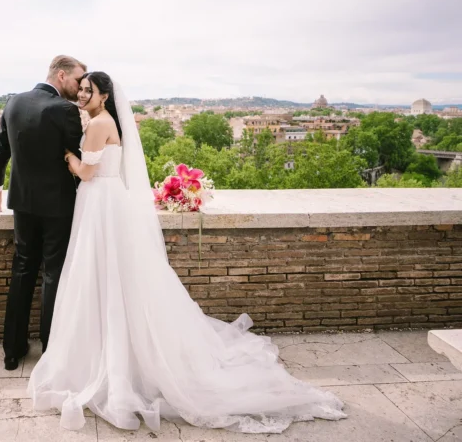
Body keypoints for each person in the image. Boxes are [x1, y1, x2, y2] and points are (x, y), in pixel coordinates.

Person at [26, 71, 347, 433]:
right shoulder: (105, 119)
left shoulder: (99, 123)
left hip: (99, 202)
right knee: (114, 275)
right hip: (107, 201)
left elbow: (86, 172)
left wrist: (68, 156)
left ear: (104, 95)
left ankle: (106, 356)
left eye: (90, 90)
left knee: (100, 274)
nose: (83, 95)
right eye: (81, 89)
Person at [0, 55, 86, 371]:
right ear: (62, 75)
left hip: (22, 202)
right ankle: (51, 349)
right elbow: (78, 156)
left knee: (23, 270)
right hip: (58, 205)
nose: (80, 87)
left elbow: (1, 150)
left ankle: (12, 350)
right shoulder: (64, 109)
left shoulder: (13, 103)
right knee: (53, 274)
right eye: (79, 80)